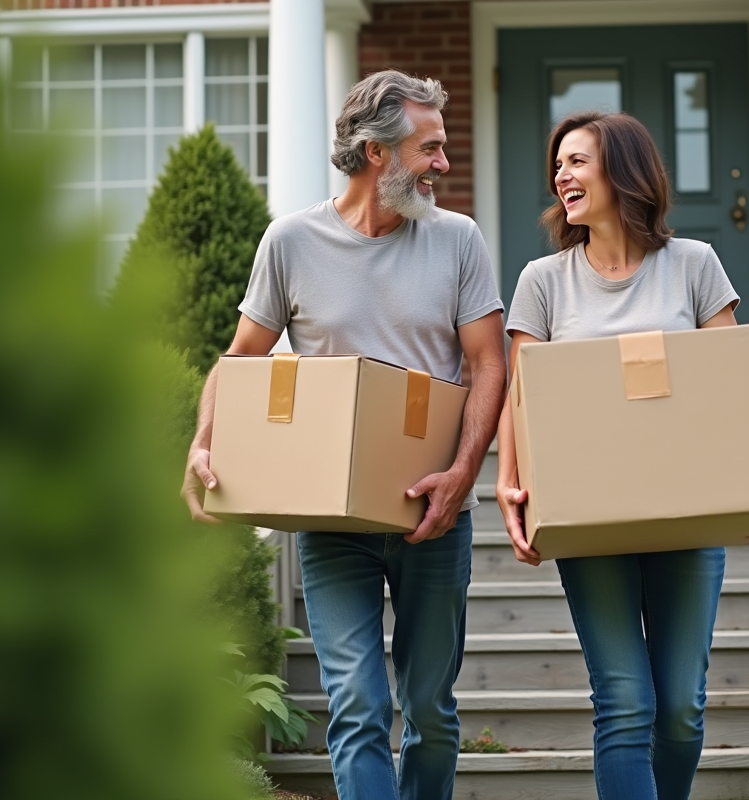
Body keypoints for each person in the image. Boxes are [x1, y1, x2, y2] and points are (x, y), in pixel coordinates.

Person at [181, 71, 506, 800]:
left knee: (429, 709)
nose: (443, 166)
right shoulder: (293, 241)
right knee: (358, 706)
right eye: (430, 149)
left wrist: (460, 475)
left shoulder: (458, 240)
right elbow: (241, 359)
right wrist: (205, 441)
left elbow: (490, 363)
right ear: (375, 153)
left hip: (434, 512)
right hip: (330, 517)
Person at [495, 111, 749, 800]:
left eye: (578, 161)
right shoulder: (544, 281)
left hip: (685, 518)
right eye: (558, 165)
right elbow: (520, 398)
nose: (562, 175)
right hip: (590, 521)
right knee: (625, 702)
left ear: (623, 171)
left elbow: (730, 387)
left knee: (680, 709)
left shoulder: (693, 266)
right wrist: (509, 489)